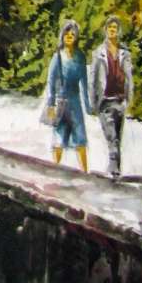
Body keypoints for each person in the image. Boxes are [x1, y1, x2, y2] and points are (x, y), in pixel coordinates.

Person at [41, 19, 90, 173]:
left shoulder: (80, 57)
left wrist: (88, 104)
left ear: (76, 37)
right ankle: (55, 170)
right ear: (62, 36)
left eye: (72, 34)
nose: (69, 36)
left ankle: (85, 172)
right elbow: (50, 81)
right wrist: (50, 104)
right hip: (60, 102)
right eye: (67, 34)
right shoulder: (57, 57)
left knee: (80, 138)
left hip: (75, 101)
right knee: (59, 139)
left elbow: (84, 82)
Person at [89, 15, 134, 179]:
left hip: (120, 100)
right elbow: (93, 78)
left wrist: (129, 98)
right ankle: (114, 169)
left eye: (115, 28)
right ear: (106, 30)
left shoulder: (125, 53)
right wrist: (93, 102)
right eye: (110, 28)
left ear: (119, 31)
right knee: (111, 137)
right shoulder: (98, 53)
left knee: (117, 138)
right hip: (105, 101)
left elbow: (129, 77)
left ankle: (115, 168)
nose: (112, 30)